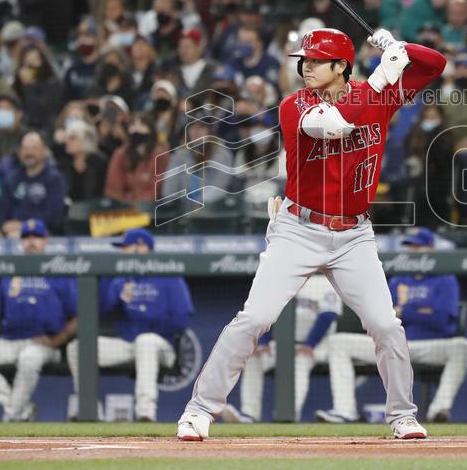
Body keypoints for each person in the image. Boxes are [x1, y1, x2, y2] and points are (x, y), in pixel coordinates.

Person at [176, 27, 446, 441]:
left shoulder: (380, 95)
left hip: (355, 234)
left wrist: (400, 48)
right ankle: (199, 410)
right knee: (254, 319)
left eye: (317, 61)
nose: (307, 67)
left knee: (386, 326)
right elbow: (336, 124)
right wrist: (378, 78)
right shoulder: (295, 105)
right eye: (305, 60)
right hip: (298, 229)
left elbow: (436, 64)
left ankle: (403, 416)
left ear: (341, 66)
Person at [315, 228, 467, 424]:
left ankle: (439, 409)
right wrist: (422, 310)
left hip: (430, 345)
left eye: (418, 247)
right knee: (338, 342)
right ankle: (345, 410)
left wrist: (405, 311)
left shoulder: (445, 278)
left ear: (430, 249)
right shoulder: (399, 278)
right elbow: (383, 316)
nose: (412, 251)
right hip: (395, 344)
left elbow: (441, 318)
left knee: (463, 347)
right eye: (410, 247)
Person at [66, 228, 193, 423]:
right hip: (127, 344)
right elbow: (98, 310)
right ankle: (91, 411)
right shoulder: (120, 275)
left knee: (146, 341)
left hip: (162, 347)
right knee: (77, 348)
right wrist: (115, 288)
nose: (121, 252)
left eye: (125, 247)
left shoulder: (168, 274)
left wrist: (142, 313)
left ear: (142, 247)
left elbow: (181, 320)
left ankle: (145, 413)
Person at [0, 218, 77, 422]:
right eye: (26, 237)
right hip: (10, 340)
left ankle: (11, 417)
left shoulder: (59, 272)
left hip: (44, 344)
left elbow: (77, 317)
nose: (31, 241)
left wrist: (56, 341)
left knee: (29, 358)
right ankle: (22, 410)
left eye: (37, 237)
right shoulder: (11, 272)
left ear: (46, 241)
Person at [232, 270, 341, 423]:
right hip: (284, 344)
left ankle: (291, 415)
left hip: (318, 345)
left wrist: (310, 344)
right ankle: (249, 413)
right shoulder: (284, 279)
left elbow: (328, 316)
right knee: (253, 357)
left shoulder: (325, 281)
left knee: (300, 361)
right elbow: (267, 314)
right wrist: (263, 342)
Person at [0, 132, 66, 237]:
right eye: (25, 149)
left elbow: (54, 216)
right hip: (12, 230)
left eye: (34, 148)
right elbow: (2, 214)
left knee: (16, 236)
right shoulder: (11, 179)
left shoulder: (55, 179)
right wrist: (4, 225)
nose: (29, 153)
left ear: (44, 151)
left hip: (43, 231)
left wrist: (24, 225)